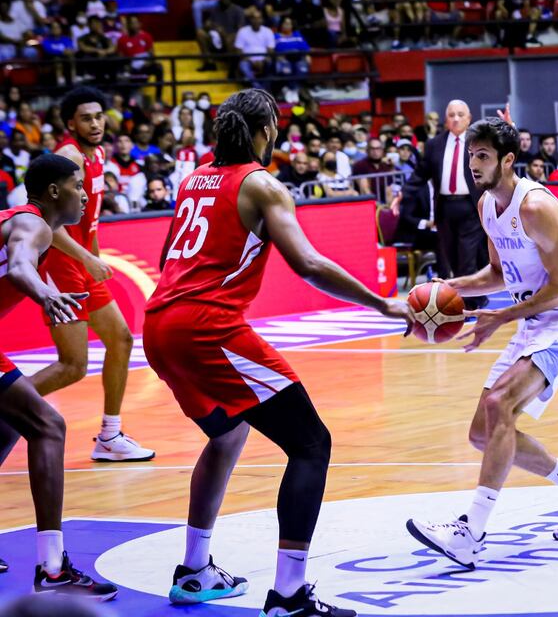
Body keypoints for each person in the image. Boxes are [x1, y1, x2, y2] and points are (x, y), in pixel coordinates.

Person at [142, 89, 413, 616]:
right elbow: (308, 264)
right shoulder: (261, 185)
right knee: (311, 443)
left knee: (228, 434)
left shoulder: (194, 179)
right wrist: (382, 304)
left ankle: (195, 571)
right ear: (265, 132)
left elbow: (168, 255)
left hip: (159, 324)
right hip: (206, 327)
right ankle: (288, 596)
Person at [406, 117, 558, 568]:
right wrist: (448, 287)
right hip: (531, 321)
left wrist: (501, 315)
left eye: (482, 156)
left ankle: (470, 530)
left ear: (507, 160)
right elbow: (498, 274)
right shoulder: (486, 206)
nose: (473, 164)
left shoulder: (536, 207)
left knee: (499, 404)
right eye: (470, 156)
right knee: (482, 433)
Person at [0, 154, 118, 599]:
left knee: (12, 419)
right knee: (48, 426)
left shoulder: (17, 219)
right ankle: (53, 570)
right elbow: (19, 266)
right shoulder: (35, 225)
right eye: (76, 185)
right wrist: (48, 295)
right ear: (53, 191)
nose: (85, 193)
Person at [32, 87, 154, 462]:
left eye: (99, 116)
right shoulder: (67, 158)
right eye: (86, 118)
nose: (96, 123)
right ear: (71, 124)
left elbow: (92, 220)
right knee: (73, 366)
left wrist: (96, 261)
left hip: (83, 262)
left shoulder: (99, 154)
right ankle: (8, 402)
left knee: (120, 339)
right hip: (59, 263)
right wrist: (87, 259)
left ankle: (110, 435)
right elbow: (47, 224)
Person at [400, 99, 488, 310]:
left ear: (469, 118)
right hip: (444, 207)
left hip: (470, 205)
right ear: (445, 119)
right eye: (451, 115)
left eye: (460, 114)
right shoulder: (434, 144)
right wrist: (402, 195)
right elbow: (420, 174)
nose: (456, 118)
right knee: (449, 256)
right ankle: (471, 298)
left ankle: (468, 304)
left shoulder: (480, 143)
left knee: (467, 256)